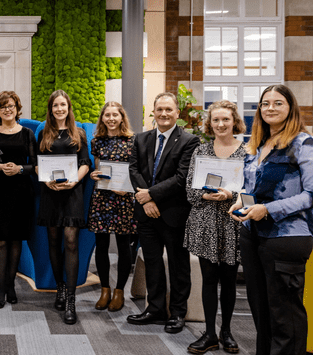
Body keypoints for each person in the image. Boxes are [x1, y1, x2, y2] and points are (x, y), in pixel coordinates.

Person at [228, 85, 313, 355]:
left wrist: (269, 209)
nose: (270, 108)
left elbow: (311, 194)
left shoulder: (302, 143)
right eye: (265, 104)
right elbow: (250, 188)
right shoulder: (258, 146)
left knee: (285, 317)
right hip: (252, 236)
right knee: (261, 312)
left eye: (278, 103)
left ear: (290, 108)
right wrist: (240, 201)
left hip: (286, 237)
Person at [127, 92, 200, 333]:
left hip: (174, 214)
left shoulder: (190, 141)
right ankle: (155, 309)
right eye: (160, 109)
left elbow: (182, 177)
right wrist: (146, 201)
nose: (164, 114)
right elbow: (134, 170)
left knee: (179, 266)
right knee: (153, 263)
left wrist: (151, 195)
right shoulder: (141, 139)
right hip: (146, 213)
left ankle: (178, 313)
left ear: (178, 113)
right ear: (154, 112)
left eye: (169, 110)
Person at [185, 100, 246, 354]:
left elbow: (251, 190)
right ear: (210, 123)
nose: (220, 124)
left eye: (226, 120)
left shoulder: (247, 152)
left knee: (229, 280)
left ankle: (227, 331)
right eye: (216, 120)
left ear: (235, 122)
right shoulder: (201, 151)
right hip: (205, 223)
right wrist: (205, 196)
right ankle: (209, 333)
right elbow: (189, 189)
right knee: (209, 278)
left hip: (233, 223)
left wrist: (230, 196)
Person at [0, 91, 37, 309]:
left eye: (11, 106)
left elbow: (36, 166)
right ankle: (1, 288)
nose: (7, 110)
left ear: (17, 108)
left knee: (15, 240)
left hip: (20, 191)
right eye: (3, 107)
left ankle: (11, 285)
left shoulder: (28, 133)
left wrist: (20, 169)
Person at [37, 90, 91, 324]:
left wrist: (75, 180)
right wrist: (45, 179)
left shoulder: (78, 133)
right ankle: (59, 287)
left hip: (72, 194)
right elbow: (37, 164)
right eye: (55, 105)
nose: (59, 109)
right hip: (50, 194)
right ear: (50, 109)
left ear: (68, 107)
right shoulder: (44, 132)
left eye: (63, 105)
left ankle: (71, 299)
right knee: (53, 241)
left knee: (70, 241)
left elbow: (85, 163)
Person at [88, 101, 136, 313]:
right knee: (101, 245)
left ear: (122, 117)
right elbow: (98, 167)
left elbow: (137, 171)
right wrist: (93, 175)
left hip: (124, 199)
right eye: (107, 115)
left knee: (124, 246)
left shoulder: (132, 141)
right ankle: (104, 289)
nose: (111, 119)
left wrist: (129, 188)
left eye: (115, 115)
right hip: (102, 198)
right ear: (103, 118)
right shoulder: (97, 141)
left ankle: (119, 292)